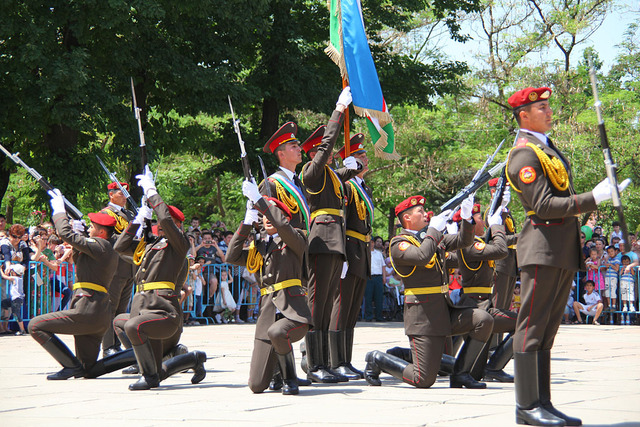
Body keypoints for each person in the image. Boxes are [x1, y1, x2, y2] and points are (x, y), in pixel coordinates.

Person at [505, 86, 629, 426]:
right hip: (541, 247)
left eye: (548, 106)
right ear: (524, 116)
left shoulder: (546, 149)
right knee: (531, 326)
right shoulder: (524, 155)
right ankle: (526, 406)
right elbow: (543, 205)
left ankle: (542, 402)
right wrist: (595, 197)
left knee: (547, 329)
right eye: (541, 107)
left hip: (559, 248)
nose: (549, 111)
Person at [364, 194, 495, 389]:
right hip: (422, 317)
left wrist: (467, 218)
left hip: (443, 310)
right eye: (420, 211)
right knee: (423, 379)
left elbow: (463, 241)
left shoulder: (431, 237)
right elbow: (422, 256)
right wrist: (433, 229)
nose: (426, 214)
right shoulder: (399, 243)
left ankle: (461, 374)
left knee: (483, 320)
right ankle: (378, 359)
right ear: (407, 217)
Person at [113, 166, 206, 390]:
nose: (161, 225)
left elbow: (165, 218)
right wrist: (138, 219)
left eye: (167, 223)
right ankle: (191, 358)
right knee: (122, 323)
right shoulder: (151, 245)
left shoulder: (180, 244)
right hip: (142, 307)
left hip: (164, 310)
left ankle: (150, 377)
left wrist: (152, 193)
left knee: (134, 326)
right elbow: (120, 246)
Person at [297, 87, 361, 384]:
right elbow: (326, 152)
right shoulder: (311, 172)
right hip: (322, 240)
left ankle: (324, 362)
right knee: (316, 302)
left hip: (334, 242)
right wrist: (338, 110)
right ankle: (313, 363)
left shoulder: (331, 176)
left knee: (325, 304)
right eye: (326, 150)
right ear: (315, 153)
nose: (333, 153)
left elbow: (346, 173)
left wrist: (355, 166)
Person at [226, 180, 313, 395]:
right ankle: (277, 374)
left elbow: (283, 227)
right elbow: (231, 256)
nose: (266, 219)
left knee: (277, 332)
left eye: (271, 215)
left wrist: (259, 200)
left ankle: (290, 379)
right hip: (267, 313)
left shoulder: (296, 238)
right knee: (256, 385)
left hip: (294, 311)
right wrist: (246, 224)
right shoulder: (259, 248)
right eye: (262, 216)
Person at [29, 189, 119, 380]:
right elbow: (78, 256)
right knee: (89, 369)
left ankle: (70, 366)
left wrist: (60, 212)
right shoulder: (105, 248)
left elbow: (64, 234)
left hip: (86, 310)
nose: (89, 229)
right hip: (97, 313)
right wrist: (78, 232)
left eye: (92, 227)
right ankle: (137, 356)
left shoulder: (100, 246)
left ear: (102, 232)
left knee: (35, 325)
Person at [451, 201, 518, 384]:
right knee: (524, 325)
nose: (484, 221)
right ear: (471, 223)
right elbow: (501, 249)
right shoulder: (471, 246)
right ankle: (494, 367)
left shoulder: (476, 243)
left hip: (481, 304)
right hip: (477, 306)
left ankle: (489, 367)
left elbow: (503, 242)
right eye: (481, 218)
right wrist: (496, 225)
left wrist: (522, 235)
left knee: (473, 368)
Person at [327, 134, 373, 379]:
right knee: (341, 306)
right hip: (349, 247)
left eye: (364, 155)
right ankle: (335, 361)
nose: (365, 159)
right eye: (359, 156)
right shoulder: (346, 185)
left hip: (362, 250)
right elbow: (340, 221)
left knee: (352, 309)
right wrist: (341, 253)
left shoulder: (363, 186)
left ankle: (346, 359)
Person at [99, 181, 137, 357]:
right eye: (120, 193)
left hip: (129, 267)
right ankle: (107, 347)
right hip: (115, 267)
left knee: (122, 309)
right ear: (111, 195)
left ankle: (117, 343)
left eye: (125, 193)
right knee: (110, 308)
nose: (124, 196)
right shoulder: (106, 214)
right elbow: (110, 237)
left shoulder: (129, 213)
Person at [486, 178, 520, 313]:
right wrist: (519, 237)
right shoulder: (491, 212)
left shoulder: (505, 211)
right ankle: (494, 335)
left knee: (505, 307)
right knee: (497, 306)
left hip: (510, 263)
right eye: (505, 190)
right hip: (500, 263)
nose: (508, 193)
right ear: (494, 192)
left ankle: (499, 334)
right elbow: (495, 239)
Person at [1, 263, 27, 335]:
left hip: (16, 299)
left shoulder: (15, 278)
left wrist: (1, 270)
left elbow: (4, 276)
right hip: (15, 298)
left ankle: (22, 330)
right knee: (4, 303)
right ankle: (5, 316)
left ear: (14, 273)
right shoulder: (21, 278)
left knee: (16, 314)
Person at [365, 236, 386, 322]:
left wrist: (384, 277)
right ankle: (369, 317)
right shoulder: (365, 253)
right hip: (369, 277)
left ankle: (379, 316)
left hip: (378, 277)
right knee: (368, 298)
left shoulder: (379, 253)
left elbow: (383, 266)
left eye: (372, 242)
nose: (371, 244)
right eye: (369, 242)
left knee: (379, 298)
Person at [603, 245, 620, 317]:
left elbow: (617, 269)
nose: (610, 253)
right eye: (609, 252)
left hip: (613, 277)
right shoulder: (609, 259)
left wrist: (611, 265)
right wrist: (607, 262)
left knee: (613, 291)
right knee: (607, 291)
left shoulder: (617, 259)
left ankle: (613, 305)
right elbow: (605, 266)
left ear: (615, 251)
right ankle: (609, 305)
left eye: (612, 251)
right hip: (607, 277)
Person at [619, 255, 636, 324]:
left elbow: (633, 273)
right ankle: (625, 306)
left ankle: (631, 305)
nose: (626, 263)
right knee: (624, 293)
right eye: (624, 262)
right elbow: (620, 274)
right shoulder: (622, 268)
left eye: (627, 262)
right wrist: (623, 268)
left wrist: (630, 267)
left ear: (629, 262)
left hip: (630, 281)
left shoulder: (631, 267)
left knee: (630, 293)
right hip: (623, 281)